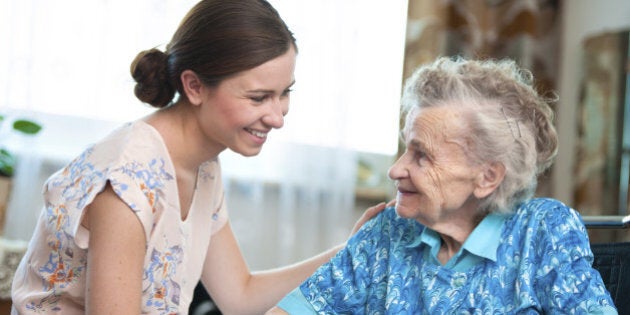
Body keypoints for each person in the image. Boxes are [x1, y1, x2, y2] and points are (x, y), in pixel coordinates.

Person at [10, 1, 385, 314]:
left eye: (284, 93)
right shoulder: (127, 180)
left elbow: (240, 295)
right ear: (194, 86)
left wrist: (350, 254)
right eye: (258, 98)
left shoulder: (202, 164)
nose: (277, 116)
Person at [267, 57, 618, 314]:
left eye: (422, 156)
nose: (395, 170)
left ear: (487, 177)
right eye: (406, 148)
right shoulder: (389, 231)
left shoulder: (541, 231)